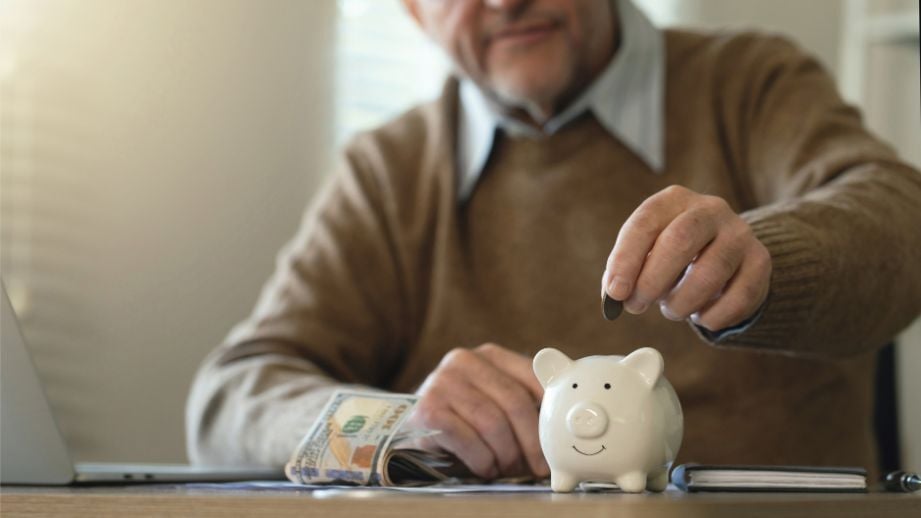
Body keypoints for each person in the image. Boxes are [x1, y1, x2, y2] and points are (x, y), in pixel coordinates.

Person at [186, 0, 921, 481]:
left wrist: (764, 260)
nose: (505, 2)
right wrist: (397, 423)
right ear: (412, 12)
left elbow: (902, 223)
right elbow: (227, 401)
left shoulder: (750, 83)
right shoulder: (388, 172)